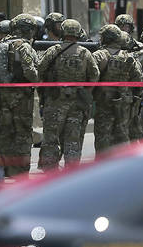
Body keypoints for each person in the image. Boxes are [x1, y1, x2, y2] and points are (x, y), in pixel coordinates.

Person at [38, 19, 99, 170]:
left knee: (51, 139)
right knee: (73, 140)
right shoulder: (84, 53)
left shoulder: (53, 51)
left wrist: (44, 92)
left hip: (54, 101)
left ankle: (49, 173)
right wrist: (85, 91)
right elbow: (95, 75)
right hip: (77, 103)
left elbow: (40, 71)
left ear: (63, 32)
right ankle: (71, 173)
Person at [0, 15, 40, 177]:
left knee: (2, 131)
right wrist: (40, 79)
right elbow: (30, 71)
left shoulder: (0, 45)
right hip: (21, 98)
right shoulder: (23, 46)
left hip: (0, 95)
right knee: (23, 133)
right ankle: (20, 171)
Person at [92, 24, 143, 151]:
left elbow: (91, 76)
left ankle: (103, 166)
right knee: (122, 134)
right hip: (124, 103)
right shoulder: (129, 57)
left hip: (104, 102)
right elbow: (138, 79)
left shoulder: (99, 55)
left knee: (103, 136)